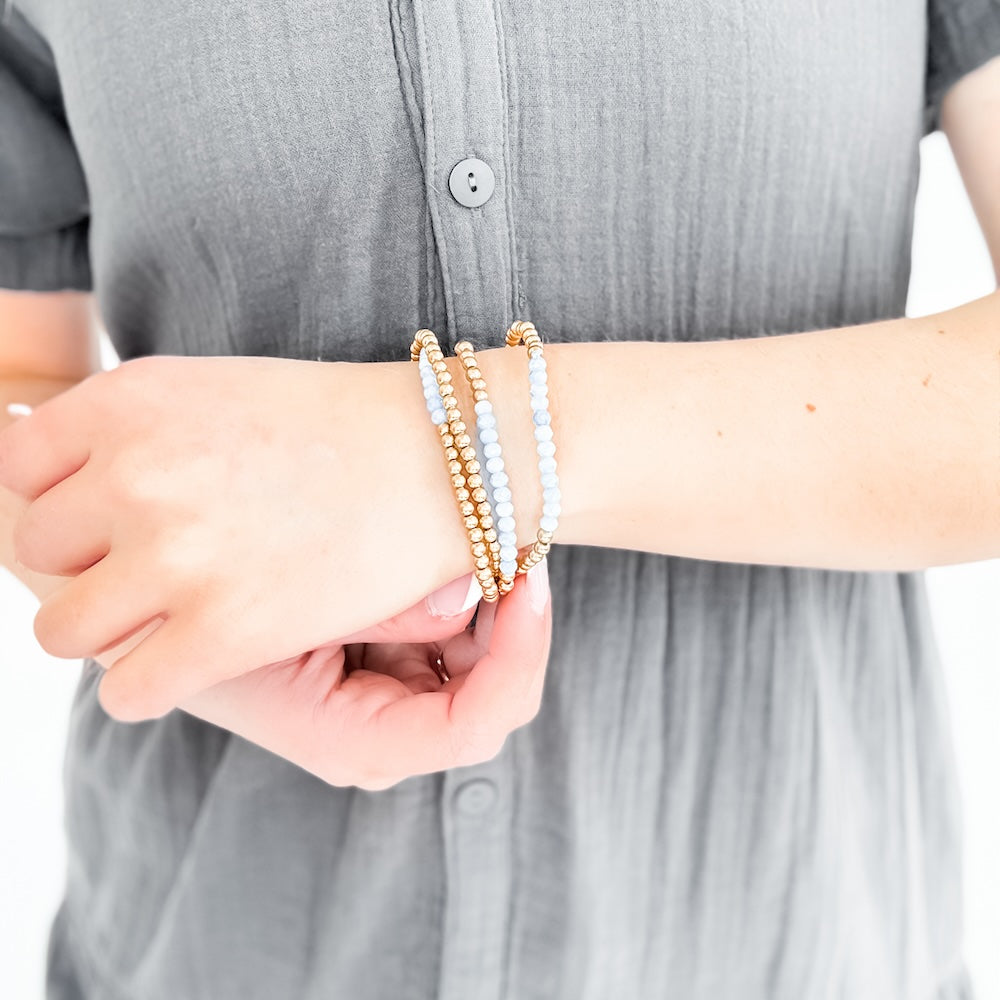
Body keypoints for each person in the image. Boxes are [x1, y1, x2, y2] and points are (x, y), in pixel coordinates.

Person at [1, 0, 998, 997]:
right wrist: (173, 634)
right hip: (209, 937)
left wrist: (448, 456)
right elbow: (25, 382)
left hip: (800, 929)